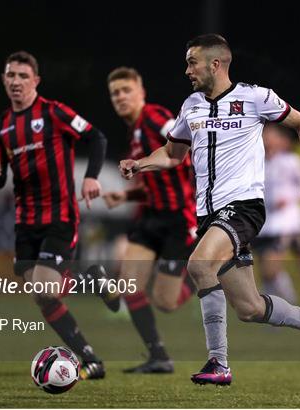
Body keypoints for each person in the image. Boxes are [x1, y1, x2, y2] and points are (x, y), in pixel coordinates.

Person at [119, 34, 300, 386]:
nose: (187, 70)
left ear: (215, 64)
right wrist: (139, 164)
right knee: (249, 309)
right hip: (208, 216)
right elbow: (173, 155)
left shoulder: (255, 96)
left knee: (199, 265)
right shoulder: (191, 105)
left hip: (243, 207)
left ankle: (219, 364)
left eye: (192, 62)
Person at [0, 51, 107, 379]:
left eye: (23, 76)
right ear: (3, 80)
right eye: (11, 75)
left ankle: (91, 281)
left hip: (59, 215)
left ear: (36, 81)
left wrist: (91, 176)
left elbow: (97, 136)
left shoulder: (53, 112)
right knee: (42, 297)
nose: (16, 82)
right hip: (25, 222)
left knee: (46, 289)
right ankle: (90, 358)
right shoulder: (0, 127)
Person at [102, 67, 197, 373]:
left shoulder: (155, 117)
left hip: (178, 219)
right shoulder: (133, 134)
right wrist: (125, 197)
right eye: (115, 93)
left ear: (141, 92)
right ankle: (159, 357)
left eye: (126, 90)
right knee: (129, 286)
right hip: (151, 218)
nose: (120, 97)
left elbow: (189, 138)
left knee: (166, 302)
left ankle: (204, 279)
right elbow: (153, 182)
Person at [252, 123, 300, 306]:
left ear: (281, 140)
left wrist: (288, 198)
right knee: (269, 269)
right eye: (264, 136)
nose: (266, 140)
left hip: (290, 222)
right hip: (269, 223)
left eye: (270, 136)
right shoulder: (259, 163)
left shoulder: (291, 161)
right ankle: (283, 302)